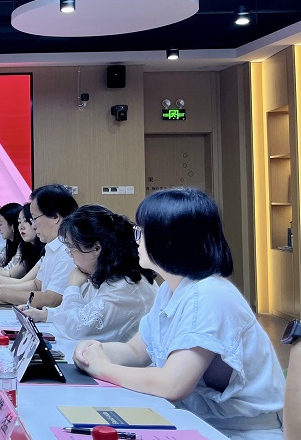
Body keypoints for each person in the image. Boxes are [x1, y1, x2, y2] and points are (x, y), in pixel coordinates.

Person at [74, 188, 284, 440]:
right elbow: (135, 352)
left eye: (141, 232)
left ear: (168, 240)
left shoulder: (210, 294)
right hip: (195, 421)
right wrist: (94, 349)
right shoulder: (172, 290)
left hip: (237, 432)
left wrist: (103, 368)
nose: (136, 240)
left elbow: (172, 384)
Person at [20, 204, 157, 342]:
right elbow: (86, 311)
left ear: (97, 248)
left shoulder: (124, 286)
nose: (71, 255)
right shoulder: (107, 272)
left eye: (72, 249)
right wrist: (45, 315)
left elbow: (78, 328)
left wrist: (73, 287)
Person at [0, 184, 77, 308]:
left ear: (55, 217)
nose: (33, 225)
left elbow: (51, 299)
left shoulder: (68, 250)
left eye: (34, 218)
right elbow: (36, 285)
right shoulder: (52, 247)